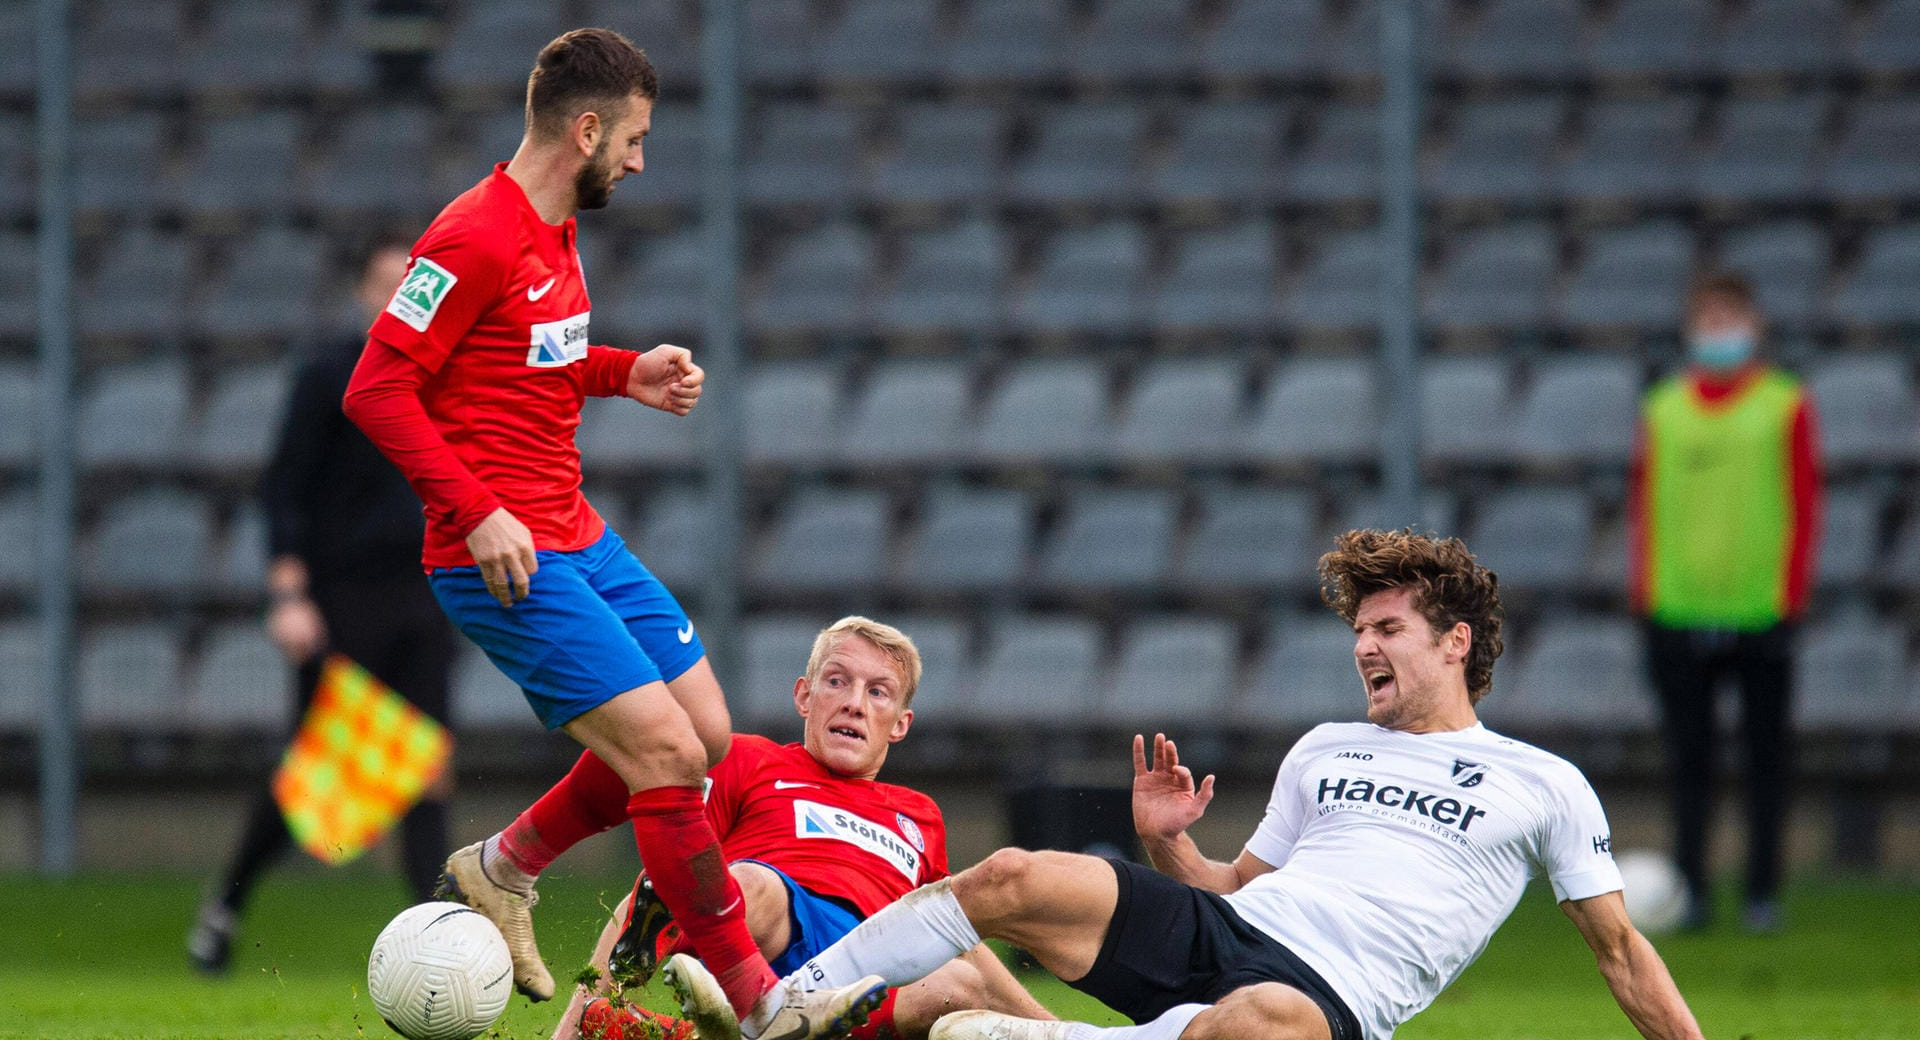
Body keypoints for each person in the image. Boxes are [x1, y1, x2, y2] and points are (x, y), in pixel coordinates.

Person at [341, 28, 882, 1040]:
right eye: (632, 139)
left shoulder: (554, 231)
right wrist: (476, 507)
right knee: (670, 759)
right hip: (498, 552)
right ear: (585, 128)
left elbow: (530, 361)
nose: (637, 160)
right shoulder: (473, 234)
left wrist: (623, 371)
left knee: (707, 735)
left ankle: (502, 867)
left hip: (574, 528)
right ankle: (763, 1003)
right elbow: (376, 388)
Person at [673, 530, 1706, 1040]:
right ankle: (785, 1008)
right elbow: (1231, 896)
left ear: (1456, 642)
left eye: (1387, 629)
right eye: (1359, 631)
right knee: (1017, 875)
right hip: (1239, 937)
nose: (1364, 648)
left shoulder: (1545, 784)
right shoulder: (1328, 749)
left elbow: (1620, 954)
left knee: (1261, 1020)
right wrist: (1170, 845)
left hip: (1324, 1001)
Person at [525, 616, 1050, 1040]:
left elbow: (954, 932)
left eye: (879, 692)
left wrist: (1054, 1028)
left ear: (900, 724)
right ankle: (752, 1012)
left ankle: (699, 1033)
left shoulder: (920, 815)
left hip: (869, 971)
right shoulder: (748, 760)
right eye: (837, 681)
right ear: (804, 696)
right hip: (767, 940)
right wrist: (578, 1016)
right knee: (751, 885)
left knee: (957, 986)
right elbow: (667, 875)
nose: (854, 703)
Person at [188, 232, 459, 974]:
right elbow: (284, 487)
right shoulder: (329, 374)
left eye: (413, 287)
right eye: (385, 284)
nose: (399, 299)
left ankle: (432, 950)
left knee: (425, 767)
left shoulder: (445, 373)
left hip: (427, 590)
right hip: (341, 598)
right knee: (313, 773)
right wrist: (288, 591)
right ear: (360, 293)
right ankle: (225, 907)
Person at [1628, 271, 1823, 932]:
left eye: (1730, 317)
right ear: (1690, 327)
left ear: (1754, 324)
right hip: (1676, 610)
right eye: (1708, 319)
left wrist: (1790, 598)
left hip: (1761, 612)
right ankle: (1693, 894)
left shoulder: (1784, 403)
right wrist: (1647, 596)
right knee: (1689, 763)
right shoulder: (1663, 407)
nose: (1719, 331)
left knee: (1766, 761)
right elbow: (1643, 508)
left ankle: (1763, 892)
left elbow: (1805, 503)